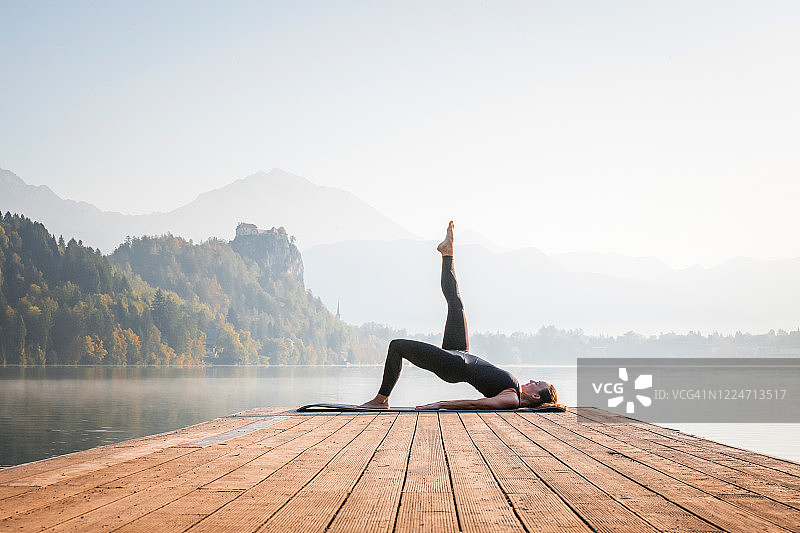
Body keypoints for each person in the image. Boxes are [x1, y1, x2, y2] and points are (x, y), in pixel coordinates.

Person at [360, 221, 558, 411]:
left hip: (453, 365)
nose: (532, 380)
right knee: (456, 302)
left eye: (537, 383)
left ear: (536, 396)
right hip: (460, 353)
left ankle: (381, 399)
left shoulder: (512, 399)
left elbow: (476, 404)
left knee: (397, 346)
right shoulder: (514, 392)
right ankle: (448, 252)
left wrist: (442, 403)